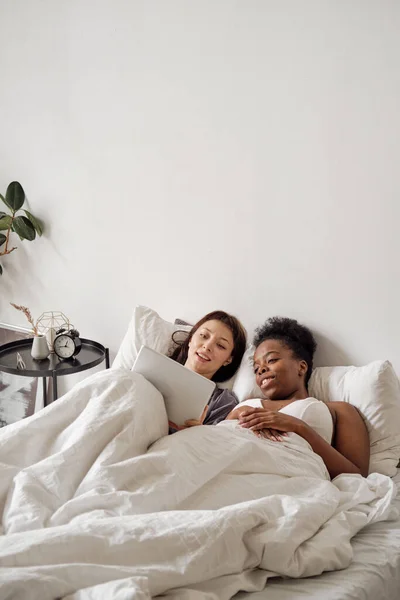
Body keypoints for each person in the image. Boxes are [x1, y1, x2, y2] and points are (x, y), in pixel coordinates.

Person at [226, 317, 370, 479]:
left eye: (271, 360)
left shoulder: (339, 409)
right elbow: (217, 440)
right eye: (256, 368)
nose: (261, 370)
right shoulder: (245, 405)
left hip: (281, 478)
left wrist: (298, 427)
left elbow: (358, 476)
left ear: (301, 367)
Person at [168, 310, 247, 431]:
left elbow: (211, 444)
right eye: (204, 336)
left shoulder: (222, 402)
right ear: (190, 339)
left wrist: (197, 432)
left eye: (220, 345)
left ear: (228, 359)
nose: (207, 346)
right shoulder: (151, 366)